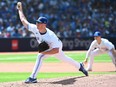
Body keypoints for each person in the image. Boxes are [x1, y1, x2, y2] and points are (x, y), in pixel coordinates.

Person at [17, 2, 88, 83]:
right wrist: (20, 10)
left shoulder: (50, 36)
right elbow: (23, 20)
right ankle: (80, 66)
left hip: (56, 46)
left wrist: (44, 52)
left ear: (44, 25)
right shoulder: (35, 28)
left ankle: (33, 78)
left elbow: (56, 50)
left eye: (39, 23)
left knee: (40, 56)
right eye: (36, 22)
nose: (37, 24)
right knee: (65, 59)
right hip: (51, 47)